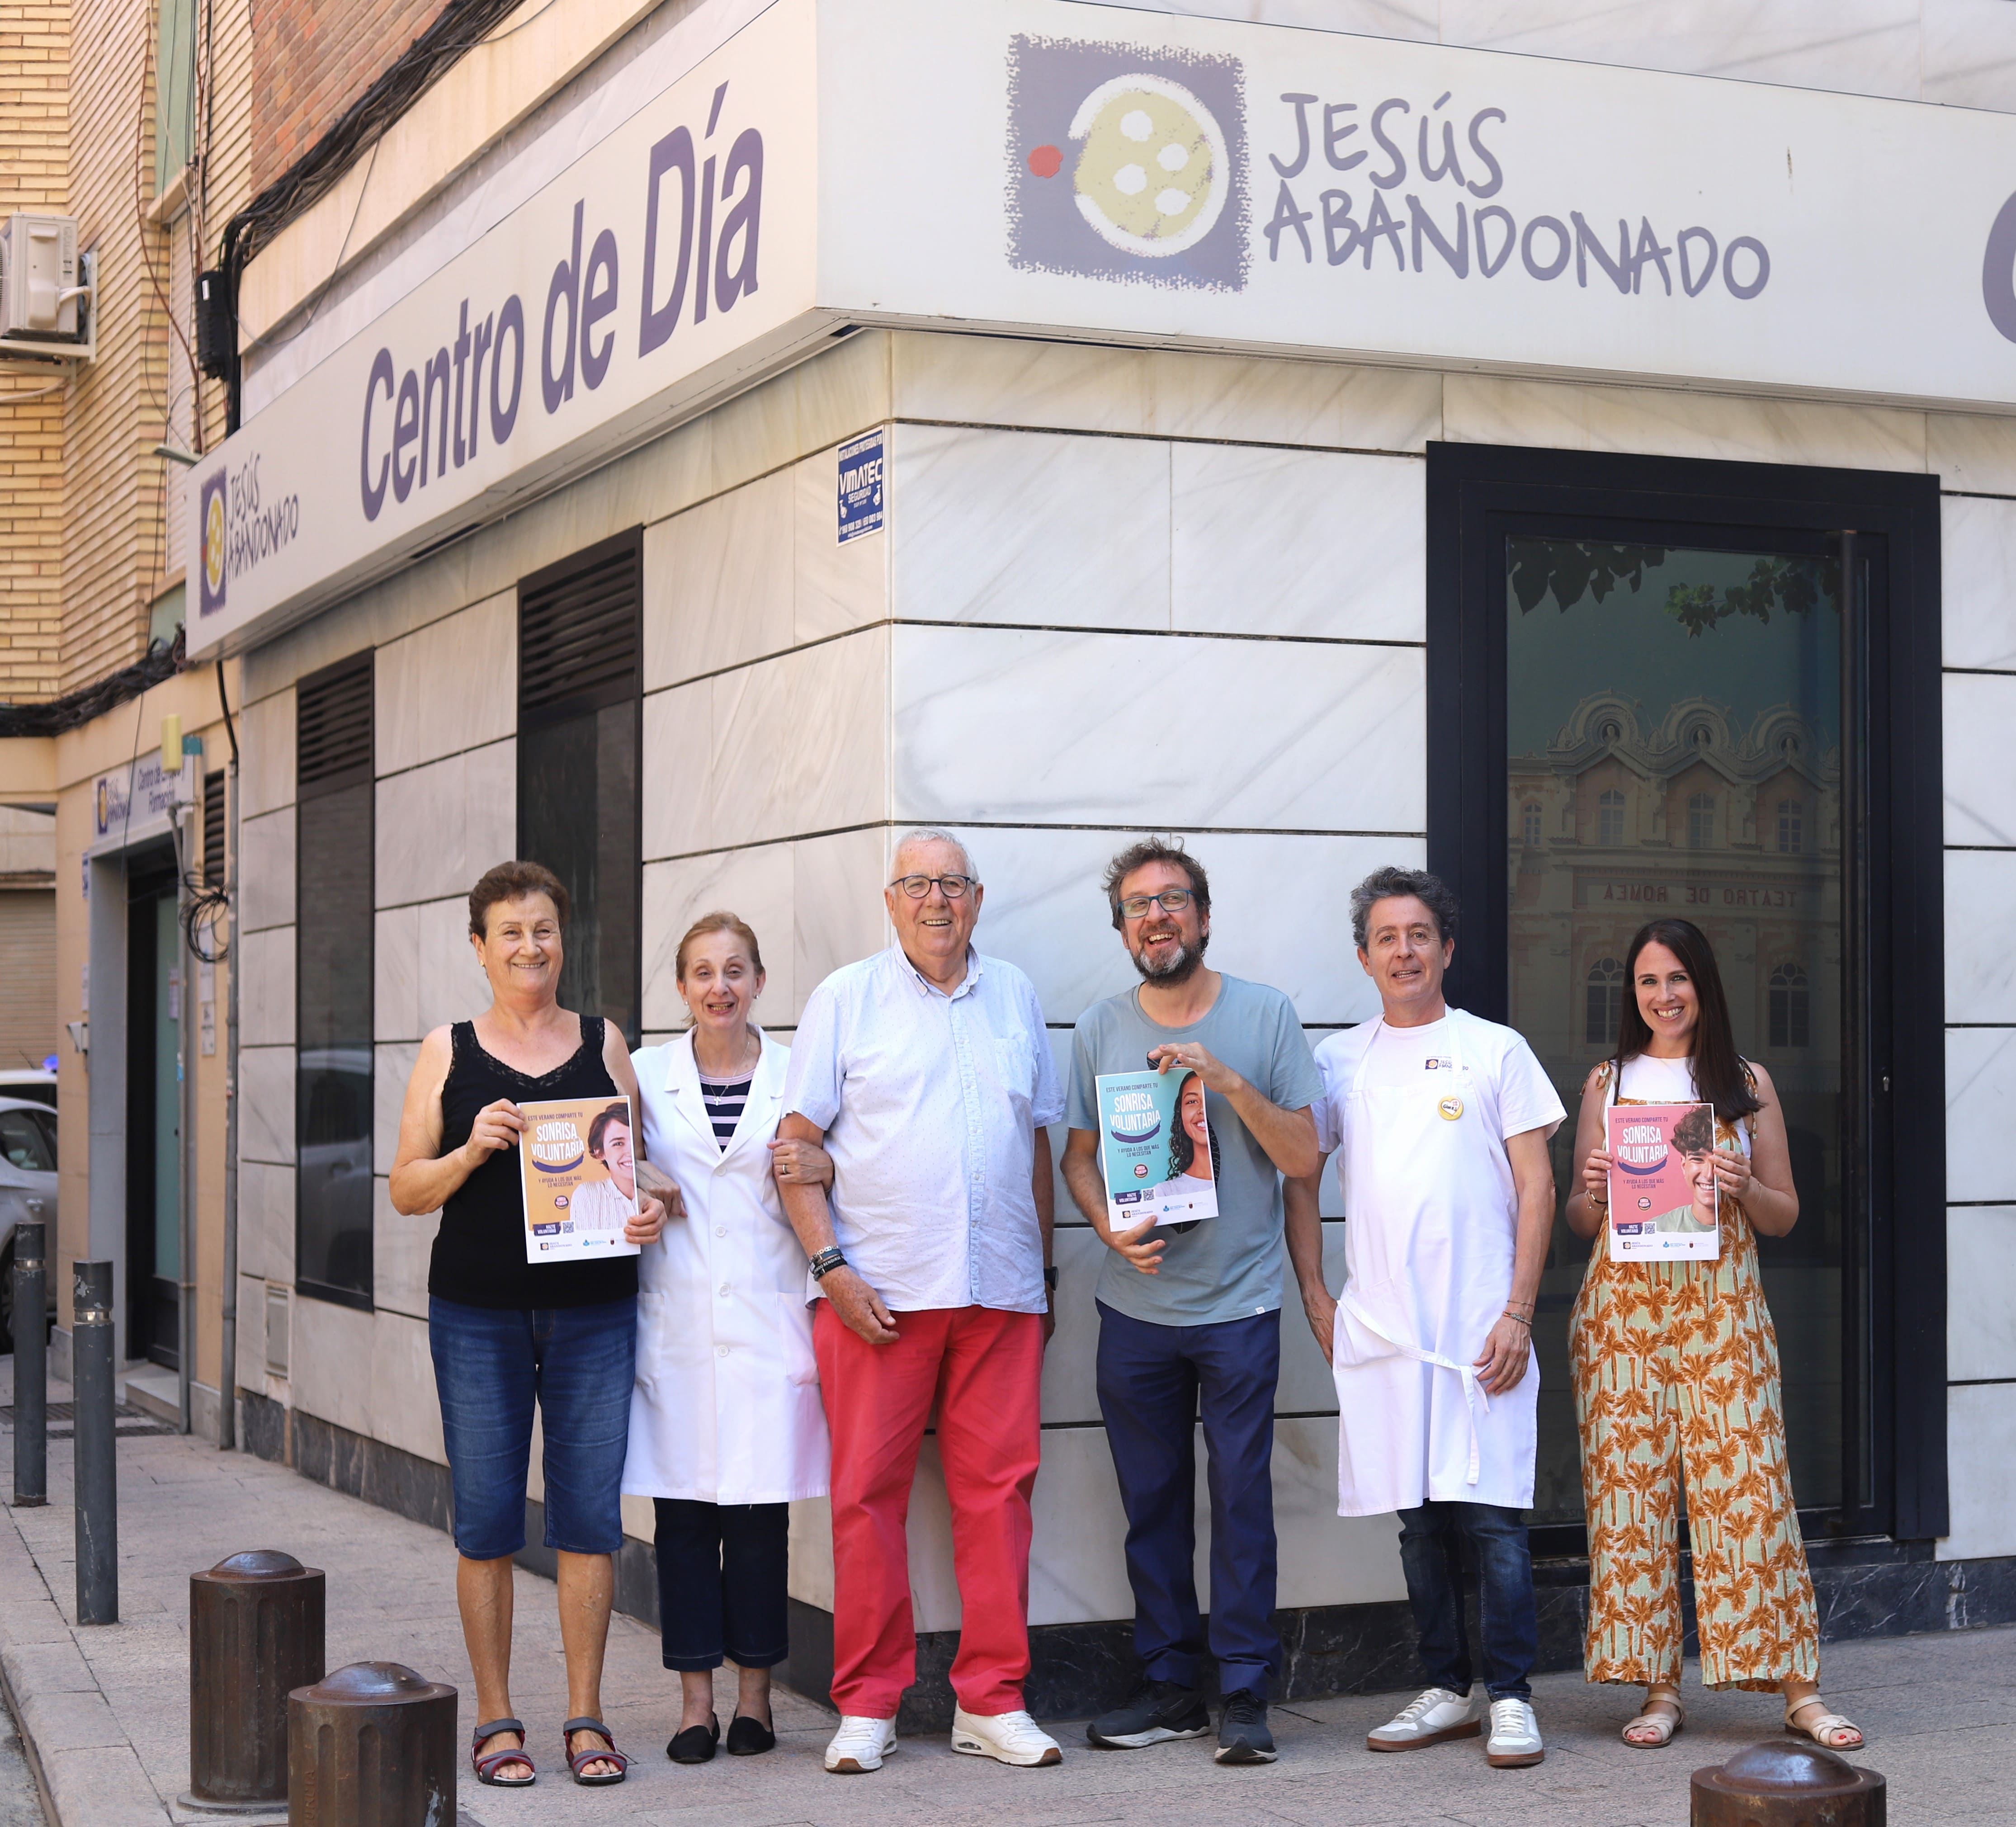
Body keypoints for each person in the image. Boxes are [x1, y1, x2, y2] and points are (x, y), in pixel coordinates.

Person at [775, 830, 1066, 1775]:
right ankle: (866, 1703)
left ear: (977, 899)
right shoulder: (845, 997)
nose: (936, 899)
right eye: (917, 884)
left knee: (1001, 1497)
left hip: (1000, 1293)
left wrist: (1046, 1276)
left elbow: (1033, 1146)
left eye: (952, 884)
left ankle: (993, 1698)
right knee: (866, 1498)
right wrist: (832, 1269)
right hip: (878, 1296)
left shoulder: (1015, 993)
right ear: (890, 900)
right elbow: (793, 1147)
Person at [389, 860, 667, 1789]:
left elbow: (645, 1172)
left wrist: (646, 1210)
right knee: (487, 1521)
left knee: (590, 1516)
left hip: (594, 1314)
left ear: (563, 938)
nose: (529, 946)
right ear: (480, 947)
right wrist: (471, 1148)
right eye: (509, 931)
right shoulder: (448, 1050)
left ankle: (586, 1716)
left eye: (543, 929)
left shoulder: (604, 1041)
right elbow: (404, 1189)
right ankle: (497, 1715)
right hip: (476, 1315)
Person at [1285, 866, 1561, 1770]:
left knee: (1490, 1518)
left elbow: (1536, 1183)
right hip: (1387, 1332)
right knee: (1418, 1519)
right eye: (1385, 937)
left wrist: (1519, 1311)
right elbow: (1300, 1176)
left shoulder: (1496, 1050)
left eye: (1419, 934)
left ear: (1448, 947)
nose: (1403, 951)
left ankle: (1511, 1695)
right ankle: (1447, 1685)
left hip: (1483, 1327)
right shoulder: (1337, 1060)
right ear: (1364, 956)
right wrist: (1320, 1298)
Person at [1563, 918, 1859, 1752]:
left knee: (1750, 1494)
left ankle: (1798, 1690)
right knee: (1634, 1502)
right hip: (1622, 1314)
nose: (1663, 996)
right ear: (1632, 993)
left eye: (1677, 979)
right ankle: (1659, 1688)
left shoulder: (1741, 1081)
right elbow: (1584, 1220)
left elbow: (1785, 1213)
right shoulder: (1604, 1082)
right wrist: (1589, 1187)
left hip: (1721, 1309)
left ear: (1703, 985)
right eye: (1647, 981)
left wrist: (1737, 1185)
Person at [1061, 838, 1320, 1766]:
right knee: (1154, 1502)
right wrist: (1105, 1227)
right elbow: (1081, 1159)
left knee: (1243, 1501)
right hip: (1137, 1309)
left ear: (1203, 918)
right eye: (1138, 906)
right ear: (1123, 928)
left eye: (1173, 901)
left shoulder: (1266, 1014)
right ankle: (1172, 1683)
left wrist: (1230, 1082)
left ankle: (1244, 1691)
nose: (1156, 916)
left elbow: (1302, 1157)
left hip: (1240, 1306)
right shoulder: (1098, 1026)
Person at [624, 911, 834, 1763]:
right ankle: (693, 1706)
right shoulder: (641, 1073)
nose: (720, 987)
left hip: (763, 1322)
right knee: (681, 1523)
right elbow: (602, 1161)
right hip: (675, 1325)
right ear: (681, 987)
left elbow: (838, 1166)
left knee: (756, 1522)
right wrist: (642, 1176)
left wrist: (824, 1167)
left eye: (735, 971)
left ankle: (756, 1702)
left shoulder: (797, 1074)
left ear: (757, 982)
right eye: (703, 972)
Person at [1645, 1105, 1718, 1235]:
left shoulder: (1742, 1224)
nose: (1709, 1175)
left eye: (1719, 1160)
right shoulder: (1657, 1228)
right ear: (1684, 1166)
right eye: (1698, 1160)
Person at [567, 1104, 638, 1232]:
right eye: (618, 1144)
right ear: (600, 1152)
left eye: (634, 1140)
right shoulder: (588, 1196)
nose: (630, 1151)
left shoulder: (662, 1188)